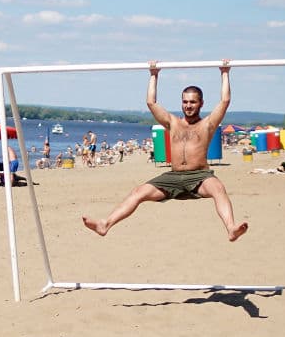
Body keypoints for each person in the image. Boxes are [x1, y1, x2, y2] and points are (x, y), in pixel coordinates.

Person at [83, 60, 247, 241]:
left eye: (193, 102)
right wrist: (154, 74)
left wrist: (225, 72)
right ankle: (105, 224)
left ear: (201, 103)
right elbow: (151, 102)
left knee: (218, 188)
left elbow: (225, 101)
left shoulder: (207, 124)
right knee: (138, 192)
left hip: (199, 176)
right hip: (173, 177)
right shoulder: (172, 123)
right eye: (185, 102)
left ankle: (231, 228)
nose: (188, 105)